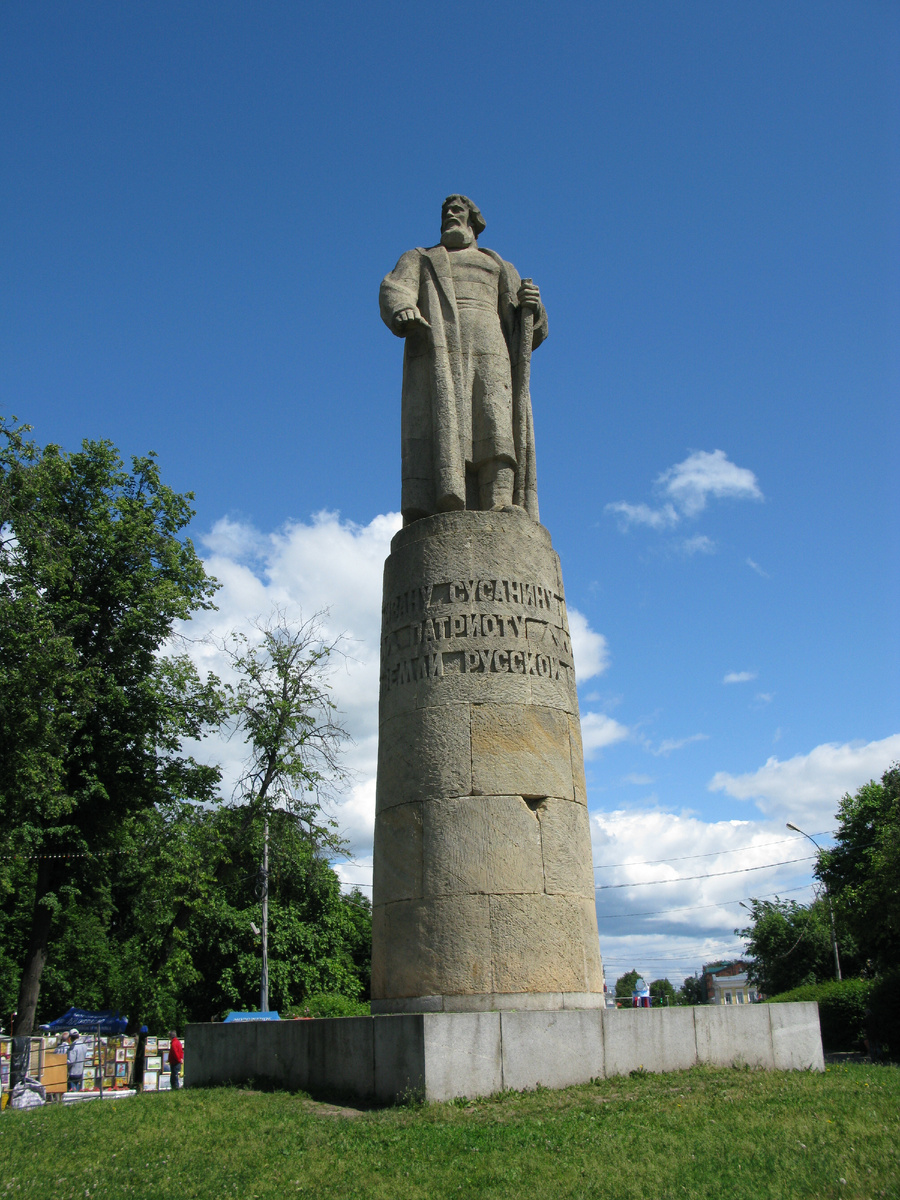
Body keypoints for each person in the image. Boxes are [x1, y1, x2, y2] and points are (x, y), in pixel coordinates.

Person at [380, 195, 547, 526]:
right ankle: (439, 501)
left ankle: (499, 500)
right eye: (445, 212)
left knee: (495, 417)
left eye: (457, 210)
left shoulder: (500, 266)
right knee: (440, 423)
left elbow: (528, 329)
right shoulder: (421, 258)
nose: (450, 215)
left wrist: (534, 308)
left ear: (474, 220)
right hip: (439, 347)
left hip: (492, 345)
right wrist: (403, 308)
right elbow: (393, 288)